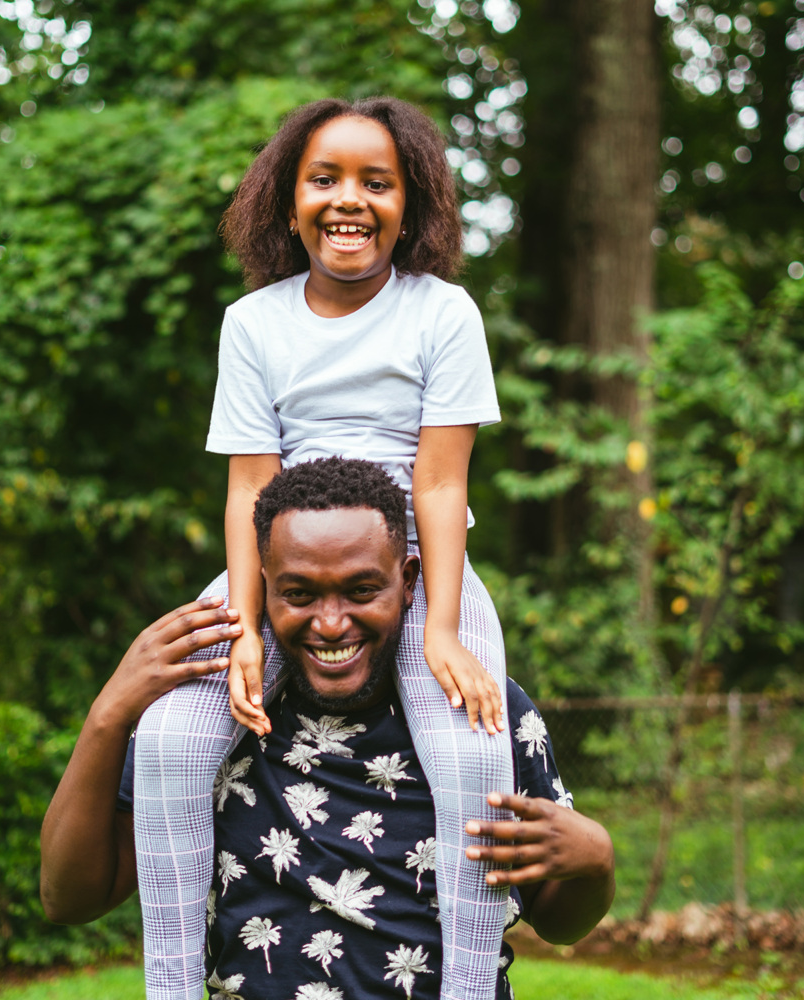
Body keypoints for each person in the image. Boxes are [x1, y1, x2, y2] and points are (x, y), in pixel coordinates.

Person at [135, 98, 514, 1000]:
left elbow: (442, 485)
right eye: (326, 179)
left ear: (410, 205)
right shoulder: (253, 322)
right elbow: (249, 488)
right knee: (168, 740)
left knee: (472, 757)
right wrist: (243, 623)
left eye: (376, 183)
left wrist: (441, 631)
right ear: (289, 200)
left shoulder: (444, 313)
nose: (351, 200)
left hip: (414, 570)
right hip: (283, 573)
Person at [40, 459, 616, 1000]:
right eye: (299, 594)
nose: (332, 623)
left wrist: (595, 859)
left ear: (409, 580)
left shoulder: (479, 710)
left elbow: (558, 920)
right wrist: (109, 713)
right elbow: (70, 898)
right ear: (261, 586)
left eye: (362, 590)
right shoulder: (205, 722)